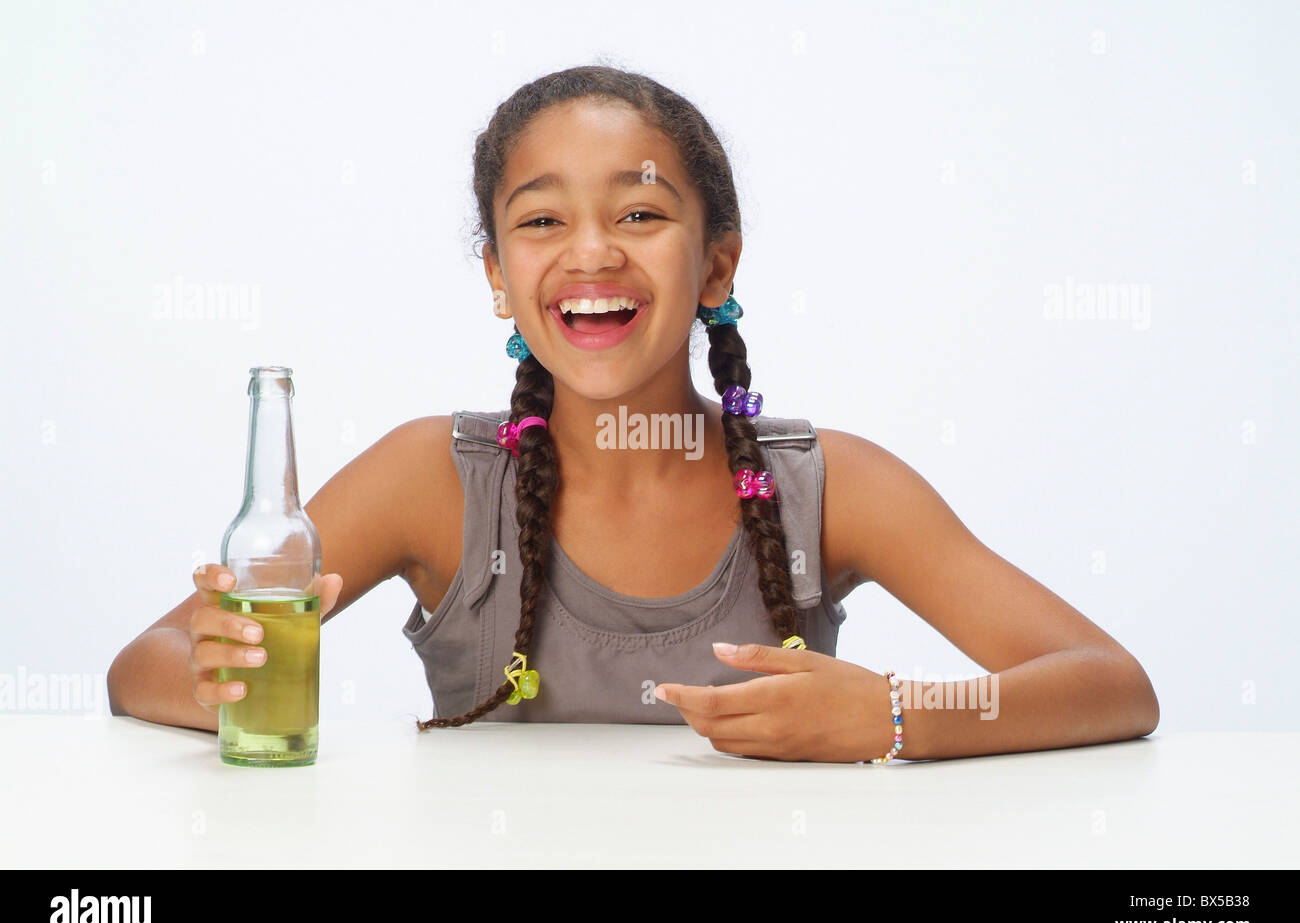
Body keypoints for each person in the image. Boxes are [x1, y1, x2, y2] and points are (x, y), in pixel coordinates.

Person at [108, 64, 1159, 763]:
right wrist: (226, 675)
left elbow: (1112, 685)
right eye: (541, 219)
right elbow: (144, 664)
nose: (593, 250)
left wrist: (890, 713)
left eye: (642, 213)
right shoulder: (433, 476)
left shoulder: (829, 485)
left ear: (716, 262)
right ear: (498, 272)